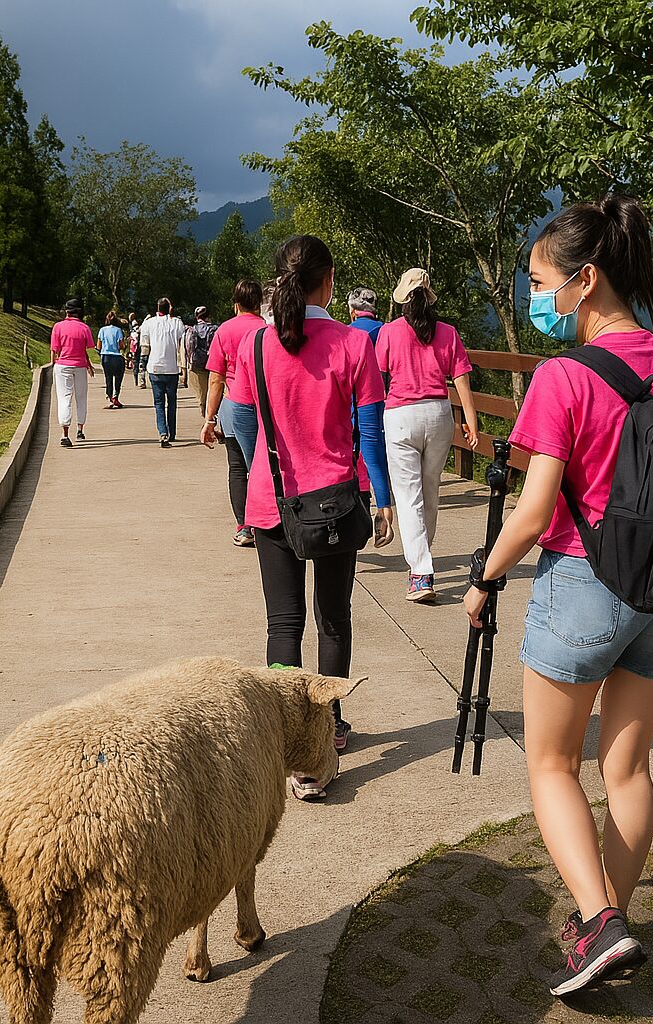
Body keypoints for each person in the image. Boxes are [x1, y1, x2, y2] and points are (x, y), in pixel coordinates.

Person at [461, 193, 653, 996]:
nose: (533, 297)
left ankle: (598, 924)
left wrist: (481, 579)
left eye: (540, 282)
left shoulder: (564, 377)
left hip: (584, 584)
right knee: (629, 770)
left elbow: (536, 514)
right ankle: (604, 924)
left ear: (585, 280)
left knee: (549, 765)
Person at [210, 235, 394, 801]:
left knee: (282, 624)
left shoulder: (258, 346)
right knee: (333, 618)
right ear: (329, 279)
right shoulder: (353, 345)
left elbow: (245, 419)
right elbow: (368, 432)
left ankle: (290, 742)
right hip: (336, 502)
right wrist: (382, 498)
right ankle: (329, 731)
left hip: (271, 501)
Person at [377, 269, 480, 603]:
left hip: (401, 414)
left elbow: (378, 379)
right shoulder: (448, 333)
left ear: (403, 298)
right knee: (430, 491)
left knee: (408, 497)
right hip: (438, 413)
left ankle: (421, 574)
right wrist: (472, 423)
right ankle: (421, 564)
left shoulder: (389, 332)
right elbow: (462, 380)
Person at [202, 281, 265, 546]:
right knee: (263, 467)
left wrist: (209, 419)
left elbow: (216, 380)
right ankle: (266, 524)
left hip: (233, 404)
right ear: (260, 302)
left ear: (235, 303)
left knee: (238, 467)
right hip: (262, 405)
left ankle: (244, 527)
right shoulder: (267, 329)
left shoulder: (224, 331)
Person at [50, 298, 97, 447]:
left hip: (62, 366)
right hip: (80, 366)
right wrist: (88, 365)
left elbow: (54, 350)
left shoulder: (58, 327)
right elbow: (85, 348)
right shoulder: (84, 328)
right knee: (81, 397)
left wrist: (53, 365)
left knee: (64, 398)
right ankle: (80, 429)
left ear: (66, 311)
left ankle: (64, 434)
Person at [141, 297, 185, 447]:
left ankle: (162, 432)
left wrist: (141, 364)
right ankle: (172, 432)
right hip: (172, 368)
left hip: (155, 367)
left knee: (159, 403)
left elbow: (145, 346)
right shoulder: (177, 323)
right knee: (172, 402)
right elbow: (181, 340)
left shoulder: (149, 323)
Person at [186, 306, 218, 423]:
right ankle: (214, 414)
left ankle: (206, 415)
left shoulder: (192, 330)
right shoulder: (215, 329)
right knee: (214, 391)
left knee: (202, 393)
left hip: (198, 364)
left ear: (196, 316)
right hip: (213, 364)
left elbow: (189, 348)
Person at [98, 312, 127, 409]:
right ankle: (115, 396)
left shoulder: (102, 330)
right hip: (116, 356)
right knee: (118, 377)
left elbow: (99, 346)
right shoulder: (118, 330)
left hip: (105, 356)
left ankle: (110, 398)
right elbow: (121, 345)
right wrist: (124, 346)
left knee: (108, 377)